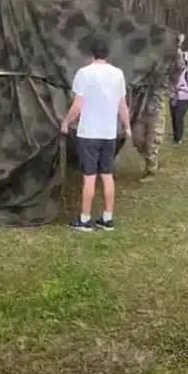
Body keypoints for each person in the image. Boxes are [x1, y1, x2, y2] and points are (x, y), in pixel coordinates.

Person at [61, 39, 131, 232]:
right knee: (107, 175)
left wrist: (66, 122)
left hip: (89, 133)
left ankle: (85, 220)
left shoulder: (84, 73)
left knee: (90, 177)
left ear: (91, 54)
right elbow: (122, 105)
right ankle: (107, 219)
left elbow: (78, 105)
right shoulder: (118, 74)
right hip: (109, 133)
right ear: (107, 54)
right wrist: (127, 127)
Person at [170, 61, 188, 145]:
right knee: (173, 118)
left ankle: (180, 138)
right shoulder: (174, 75)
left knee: (178, 118)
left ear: (185, 65)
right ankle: (175, 137)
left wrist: (182, 88)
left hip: (183, 100)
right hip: (173, 98)